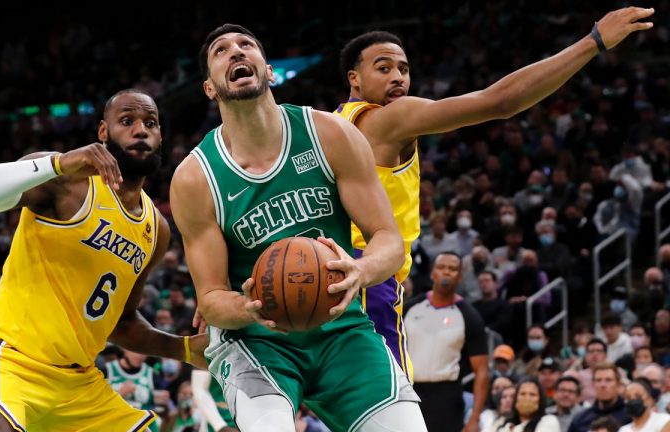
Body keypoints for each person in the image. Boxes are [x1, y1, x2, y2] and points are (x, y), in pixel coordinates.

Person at [333, 6, 654, 386]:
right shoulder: (389, 118)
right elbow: (499, 102)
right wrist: (592, 42)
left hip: (331, 274)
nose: (398, 77)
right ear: (354, 78)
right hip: (369, 279)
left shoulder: (332, 123)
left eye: (403, 68)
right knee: (388, 408)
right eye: (383, 68)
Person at [171, 24, 425, 432]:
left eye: (247, 45)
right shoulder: (195, 178)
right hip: (255, 342)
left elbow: (388, 239)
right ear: (209, 88)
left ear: (269, 71)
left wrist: (361, 270)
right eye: (221, 51)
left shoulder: (329, 133)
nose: (236, 52)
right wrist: (248, 306)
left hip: (342, 330)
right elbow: (212, 298)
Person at [0, 89, 208, 432]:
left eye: (151, 123)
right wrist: (56, 163)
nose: (141, 130)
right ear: (103, 132)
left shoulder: (155, 229)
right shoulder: (65, 182)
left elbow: (121, 322)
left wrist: (186, 350)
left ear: (161, 136)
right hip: (7, 358)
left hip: (77, 385)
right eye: (127, 121)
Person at [403, 252, 489, 432]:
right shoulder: (410, 308)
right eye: (441, 267)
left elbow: (481, 370)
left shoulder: (470, 316)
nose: (446, 272)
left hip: (446, 397)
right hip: (409, 391)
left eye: (452, 269)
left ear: (460, 276)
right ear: (432, 273)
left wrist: (474, 418)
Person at [568, 363, 631, 432]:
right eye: (598, 380)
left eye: (608, 380)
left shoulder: (630, 416)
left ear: (618, 384)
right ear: (593, 384)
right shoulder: (580, 419)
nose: (603, 385)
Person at [494, 378, 560, 432]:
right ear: (516, 398)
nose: (527, 398)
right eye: (523, 394)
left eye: (532, 394)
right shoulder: (503, 424)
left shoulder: (549, 421)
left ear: (540, 399)